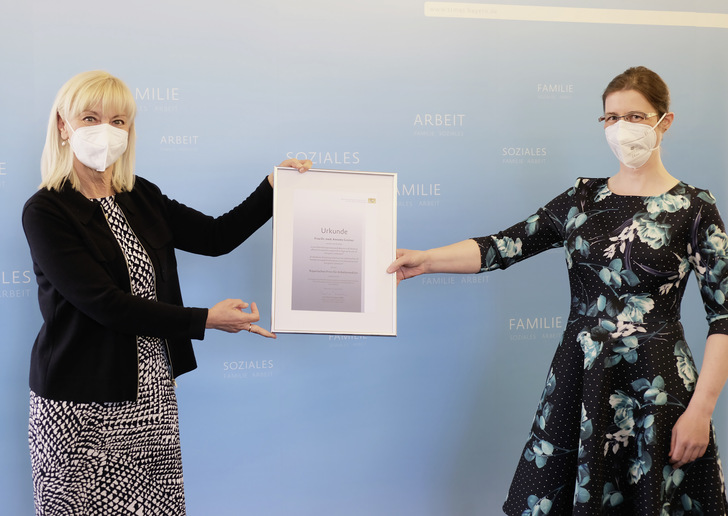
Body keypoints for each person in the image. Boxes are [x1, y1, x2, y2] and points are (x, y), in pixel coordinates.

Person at [388, 66, 728, 514]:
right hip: (578, 380)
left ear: (665, 121)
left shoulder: (695, 207)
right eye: (610, 117)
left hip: (659, 392)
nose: (621, 127)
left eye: (636, 116)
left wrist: (701, 410)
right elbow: (504, 245)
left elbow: (723, 317)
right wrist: (426, 259)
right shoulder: (581, 200)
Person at [22, 70, 312, 515]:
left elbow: (217, 236)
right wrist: (205, 319)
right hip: (80, 404)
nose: (106, 130)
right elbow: (106, 305)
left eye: (119, 121)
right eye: (91, 117)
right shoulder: (46, 210)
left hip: (151, 395)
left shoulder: (140, 195)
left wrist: (273, 188)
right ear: (63, 125)